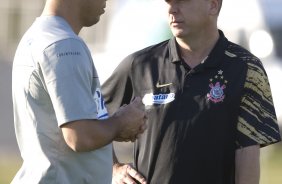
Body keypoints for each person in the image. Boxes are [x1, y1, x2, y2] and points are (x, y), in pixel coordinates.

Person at [101, 0, 281, 183]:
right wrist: (113, 168)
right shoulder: (140, 65)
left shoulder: (247, 68)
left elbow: (247, 154)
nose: (172, 9)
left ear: (213, 5)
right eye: (168, 2)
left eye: (182, 1)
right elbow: (89, 114)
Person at [11, 0, 147, 183]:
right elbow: (80, 137)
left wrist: (113, 165)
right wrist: (122, 121)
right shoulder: (63, 44)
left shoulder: (37, 36)